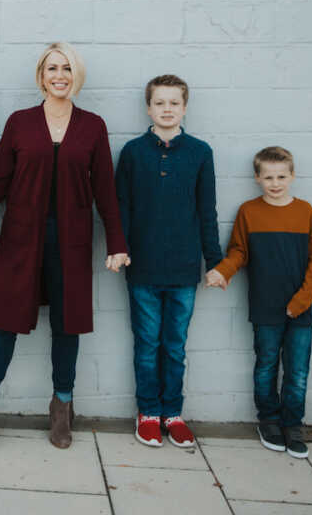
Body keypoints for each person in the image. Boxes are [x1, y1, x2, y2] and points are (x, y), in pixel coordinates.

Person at [0, 43, 129, 452]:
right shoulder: (20, 123)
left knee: (68, 324)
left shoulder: (92, 126)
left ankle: (62, 405)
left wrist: (116, 242)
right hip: (21, 239)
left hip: (72, 242)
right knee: (4, 322)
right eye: (52, 68)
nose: (60, 75)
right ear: (41, 76)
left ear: (77, 76)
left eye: (67, 68)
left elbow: (106, 191)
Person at [115, 74, 222, 449]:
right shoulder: (132, 152)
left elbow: (207, 211)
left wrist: (215, 261)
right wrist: (118, 246)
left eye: (174, 103)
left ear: (184, 107)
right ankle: (148, 413)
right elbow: (121, 208)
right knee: (147, 344)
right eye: (160, 103)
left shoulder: (200, 152)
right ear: (149, 108)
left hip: (183, 270)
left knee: (174, 346)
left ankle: (172, 413)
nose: (166, 109)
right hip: (142, 268)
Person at [206, 147, 312, 459]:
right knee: (266, 365)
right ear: (257, 178)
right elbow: (239, 251)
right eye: (268, 177)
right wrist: (222, 270)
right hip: (264, 306)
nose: (275, 183)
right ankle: (269, 421)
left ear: (292, 176)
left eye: (281, 176)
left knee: (297, 371)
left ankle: (293, 424)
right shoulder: (248, 212)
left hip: (300, 309)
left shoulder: (306, 212)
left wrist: (300, 301)